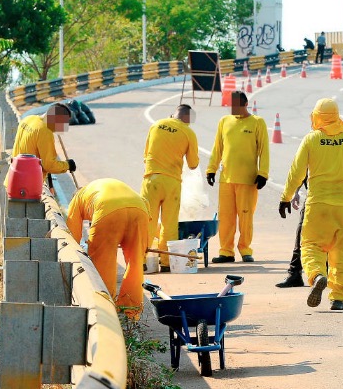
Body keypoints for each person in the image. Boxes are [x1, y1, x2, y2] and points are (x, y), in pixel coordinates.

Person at [278, 99, 343, 311]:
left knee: (311, 245)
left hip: (318, 204)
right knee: (342, 252)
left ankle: (317, 275)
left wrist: (285, 197)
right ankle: (337, 297)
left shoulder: (311, 139)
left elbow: (297, 172)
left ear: (317, 116)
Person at [66, 178, 149, 319]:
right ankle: (132, 312)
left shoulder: (78, 198)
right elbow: (143, 205)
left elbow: (71, 234)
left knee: (103, 263)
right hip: (140, 210)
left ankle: (106, 310)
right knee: (135, 263)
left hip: (107, 211)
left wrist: (75, 252)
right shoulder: (98, 187)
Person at [206, 90, 269, 263]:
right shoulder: (224, 121)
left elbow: (264, 150)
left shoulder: (257, 122)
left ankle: (245, 249)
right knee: (226, 218)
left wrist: (263, 173)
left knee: (245, 217)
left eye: (237, 105)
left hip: (248, 180)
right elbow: (217, 147)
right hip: (226, 179)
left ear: (245, 104)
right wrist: (211, 169)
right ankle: (226, 251)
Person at [141, 104, 199, 271]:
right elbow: (193, 164)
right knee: (169, 224)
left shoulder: (156, 125)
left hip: (151, 179)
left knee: (147, 221)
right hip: (172, 183)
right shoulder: (188, 132)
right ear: (188, 118)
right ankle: (166, 263)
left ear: (174, 114)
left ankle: (141, 261)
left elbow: (146, 156)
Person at [11, 103, 75, 181]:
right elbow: (49, 165)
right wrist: (68, 165)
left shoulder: (29, 119)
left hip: (13, 177)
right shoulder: (45, 131)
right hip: (26, 184)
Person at [275, 179, 307, 288]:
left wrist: (286, 198)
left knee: (303, 236)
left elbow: (298, 170)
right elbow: (302, 170)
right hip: (338, 200)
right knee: (302, 236)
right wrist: (296, 192)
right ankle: (296, 274)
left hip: (319, 199)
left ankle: (297, 274)